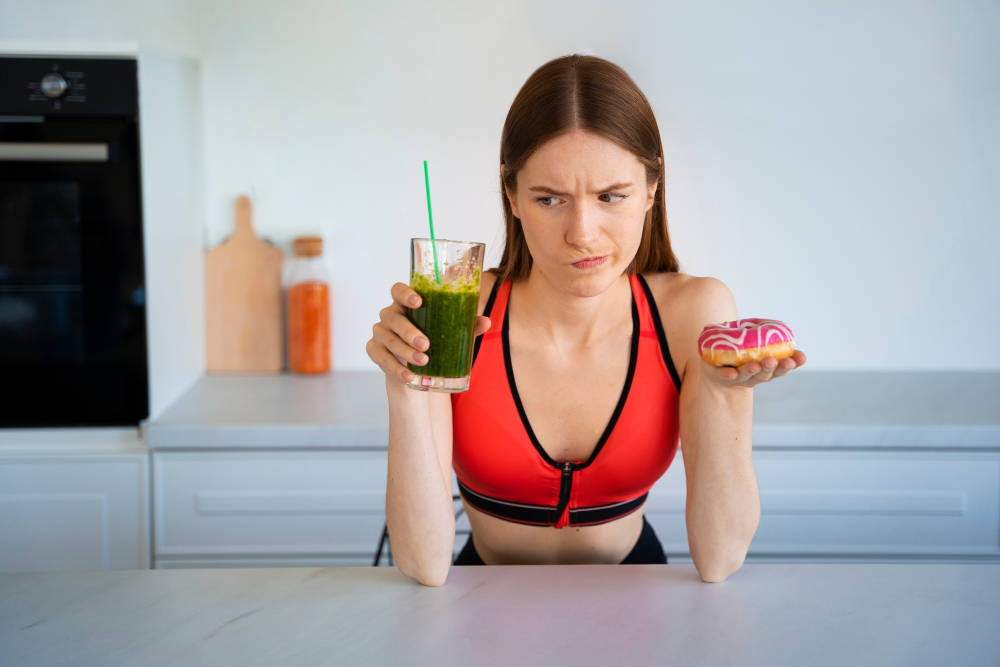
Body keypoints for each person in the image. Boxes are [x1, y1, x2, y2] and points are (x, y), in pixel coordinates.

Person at [366, 54, 806, 586]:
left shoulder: (691, 313)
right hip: (482, 600)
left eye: (610, 196)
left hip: (635, 596)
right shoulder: (458, 309)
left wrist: (727, 391)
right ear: (512, 194)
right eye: (549, 198)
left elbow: (721, 558)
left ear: (651, 189)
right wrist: (405, 385)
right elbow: (423, 565)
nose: (582, 233)